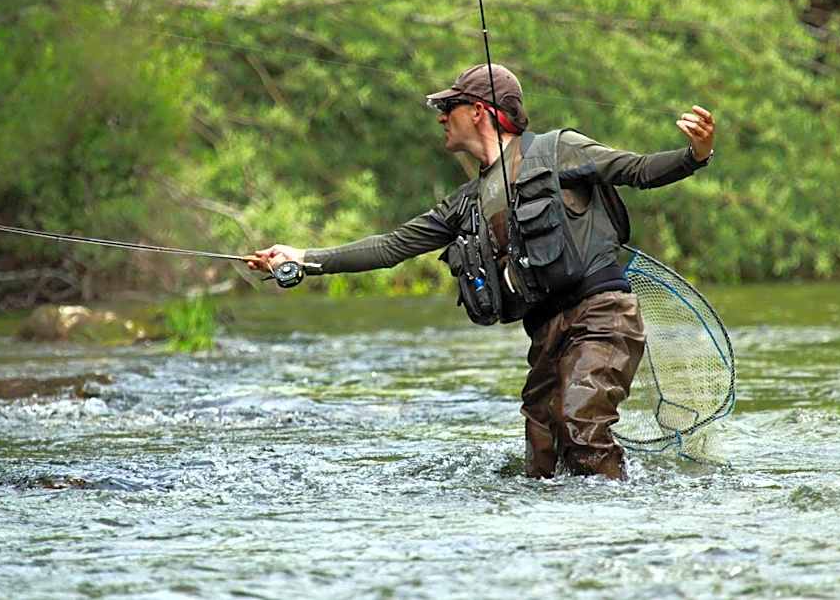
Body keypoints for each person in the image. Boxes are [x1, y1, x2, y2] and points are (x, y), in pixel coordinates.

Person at [249, 64, 715, 480]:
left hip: (604, 316)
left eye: (448, 106)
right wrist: (303, 259)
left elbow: (636, 170)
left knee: (581, 423)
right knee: (544, 455)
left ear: (477, 111)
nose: (439, 117)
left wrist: (693, 155)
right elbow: (391, 247)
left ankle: (621, 527)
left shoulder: (560, 150)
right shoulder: (466, 202)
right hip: (547, 332)